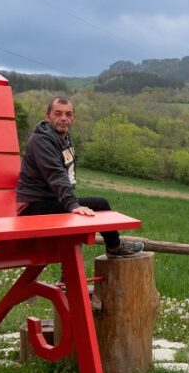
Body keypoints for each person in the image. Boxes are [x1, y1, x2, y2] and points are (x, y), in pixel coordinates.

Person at [16, 95, 144, 257]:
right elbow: (56, 174)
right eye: (58, 113)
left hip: (50, 201)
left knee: (81, 215)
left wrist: (72, 203)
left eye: (68, 114)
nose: (64, 118)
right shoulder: (41, 141)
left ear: (74, 118)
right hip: (32, 207)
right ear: (47, 116)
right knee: (98, 204)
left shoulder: (63, 137)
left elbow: (68, 174)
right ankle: (114, 246)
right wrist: (72, 204)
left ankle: (67, 278)